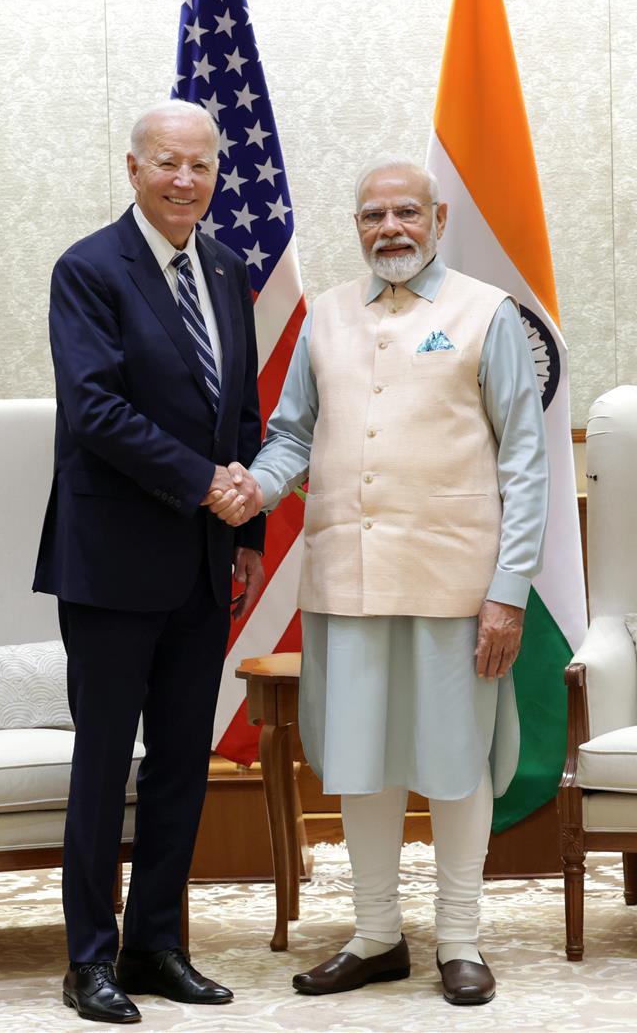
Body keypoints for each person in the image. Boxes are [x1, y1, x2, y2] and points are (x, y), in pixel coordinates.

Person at [210, 155, 548, 1006]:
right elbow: (290, 434)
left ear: (437, 219)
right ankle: (375, 934)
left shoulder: (486, 313)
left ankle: (462, 937)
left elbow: (526, 459)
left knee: (457, 760)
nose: (389, 228)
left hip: (455, 584)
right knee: (360, 761)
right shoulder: (325, 315)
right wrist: (257, 482)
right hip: (346, 583)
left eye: (406, 212)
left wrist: (507, 589)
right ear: (356, 226)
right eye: (372, 215)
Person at [33, 99, 264, 1024]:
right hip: (112, 562)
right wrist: (207, 483)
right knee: (102, 762)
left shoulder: (226, 264)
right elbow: (95, 410)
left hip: (205, 562)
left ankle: (156, 943)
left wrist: (244, 534)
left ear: (216, 174)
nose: (185, 181)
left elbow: (238, 411)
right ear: (132, 167)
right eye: (167, 163)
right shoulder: (89, 269)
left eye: (201, 166)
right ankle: (88, 957)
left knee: (180, 762)